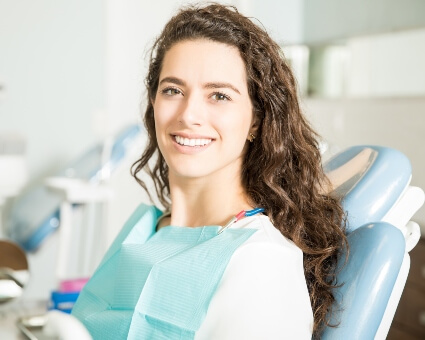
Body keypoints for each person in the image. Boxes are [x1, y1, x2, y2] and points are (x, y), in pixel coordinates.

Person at [72, 3, 348, 339]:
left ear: (256, 122)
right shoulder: (146, 230)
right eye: (173, 90)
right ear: (154, 104)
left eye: (219, 95)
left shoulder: (260, 261)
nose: (188, 115)